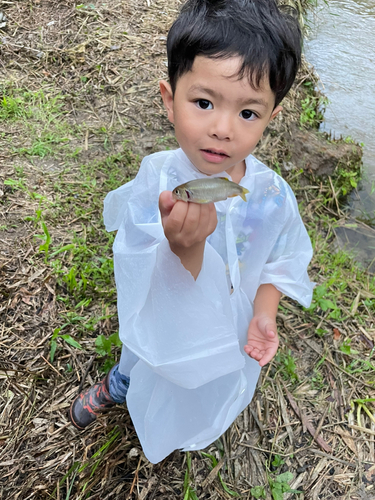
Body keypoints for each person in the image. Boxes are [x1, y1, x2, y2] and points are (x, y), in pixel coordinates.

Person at [69, 0, 314, 463]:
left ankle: (192, 414)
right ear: (169, 99)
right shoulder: (161, 180)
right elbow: (140, 266)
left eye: (248, 113)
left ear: (271, 118)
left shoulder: (273, 197)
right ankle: (120, 385)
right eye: (203, 103)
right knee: (144, 359)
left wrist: (264, 312)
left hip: (227, 326)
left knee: (206, 377)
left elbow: (281, 261)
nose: (222, 129)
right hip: (163, 318)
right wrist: (185, 249)